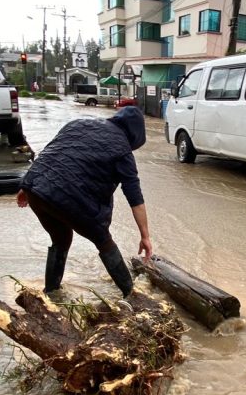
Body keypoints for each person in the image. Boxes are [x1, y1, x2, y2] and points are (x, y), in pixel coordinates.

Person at [16, 106, 152, 297]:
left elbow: (50, 154)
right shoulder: (123, 150)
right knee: (104, 241)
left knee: (61, 239)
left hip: (36, 189)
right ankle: (132, 294)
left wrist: (25, 187)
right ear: (135, 136)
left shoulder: (78, 124)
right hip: (67, 197)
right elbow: (135, 197)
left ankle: (52, 293)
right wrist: (145, 236)